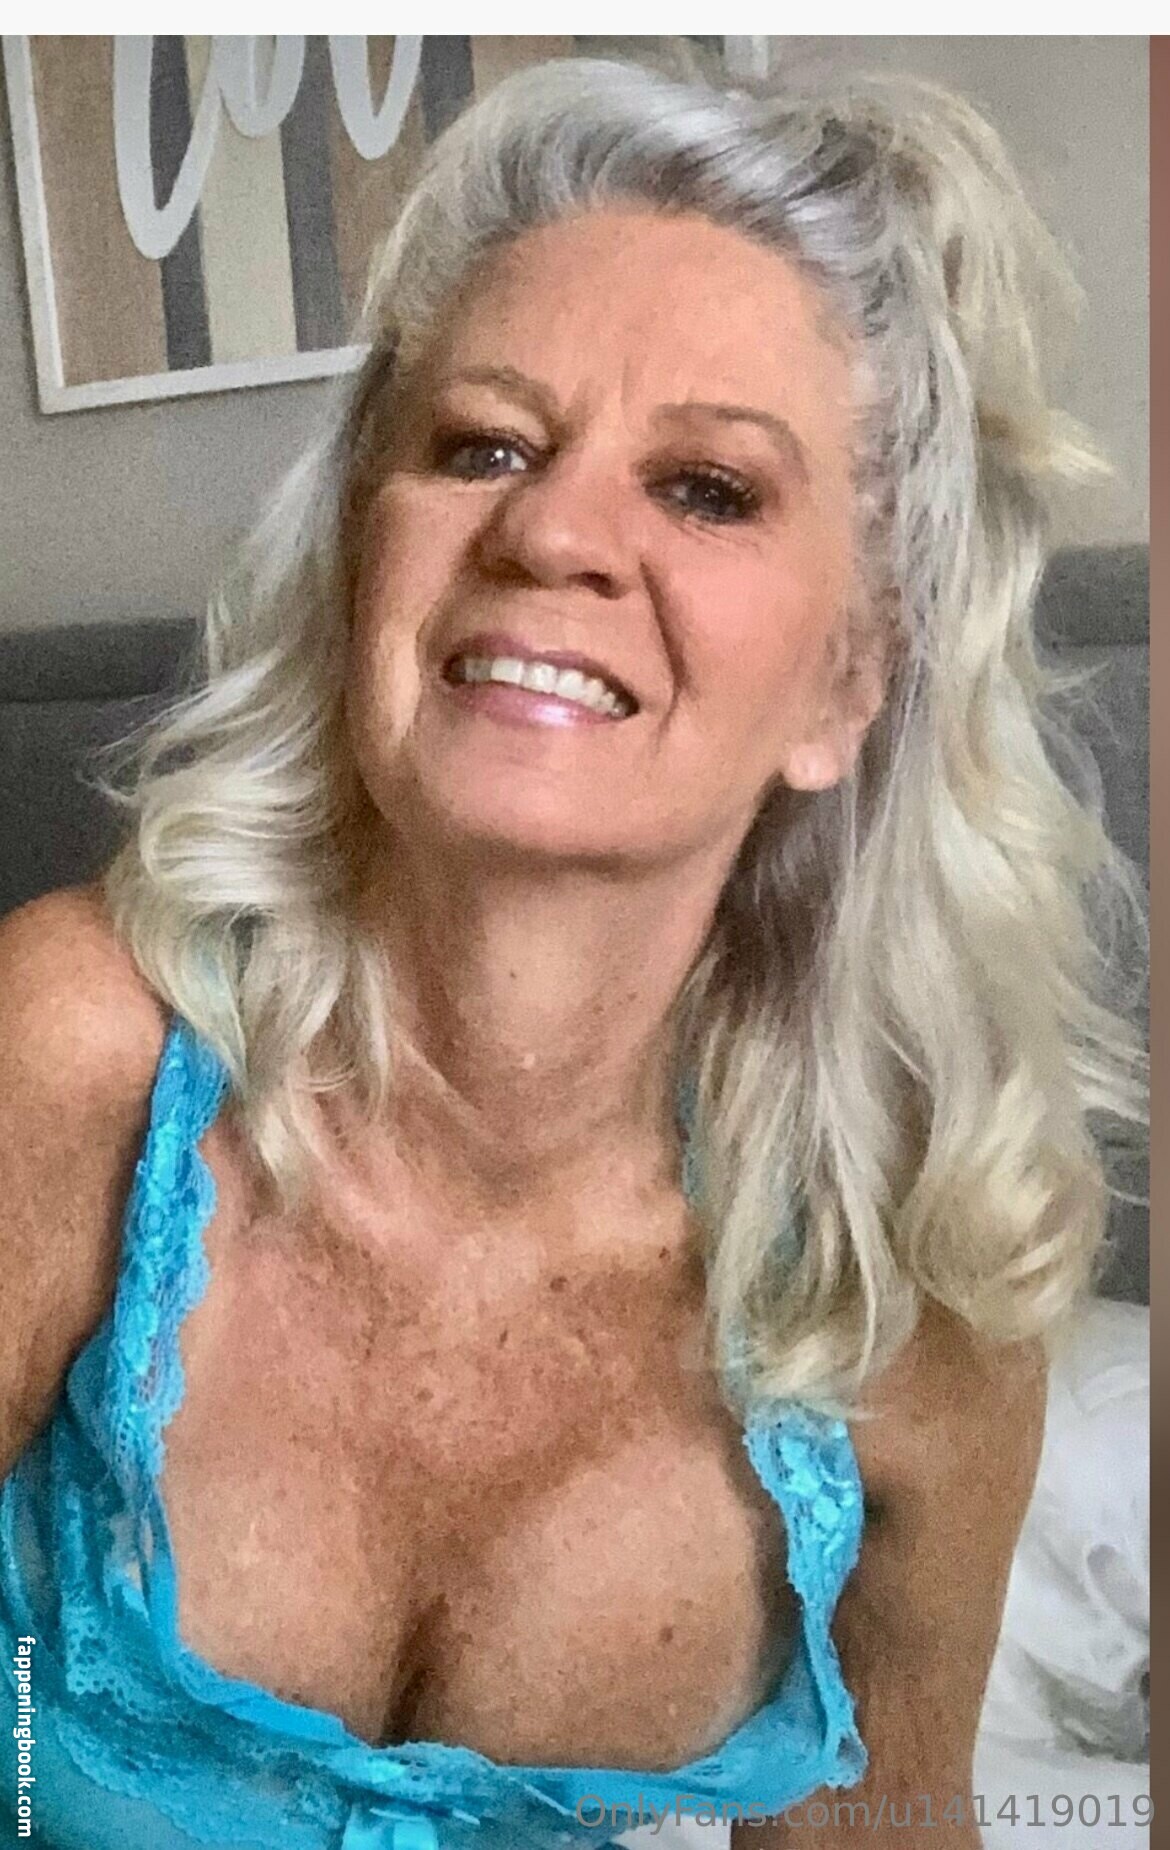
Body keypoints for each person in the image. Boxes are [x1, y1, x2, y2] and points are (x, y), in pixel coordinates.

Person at [0, 50, 1147, 1850]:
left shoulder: (901, 1291)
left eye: (706, 487)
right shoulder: (75, 1049)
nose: (548, 531)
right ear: (359, 563)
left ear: (845, 681)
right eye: (483, 445)